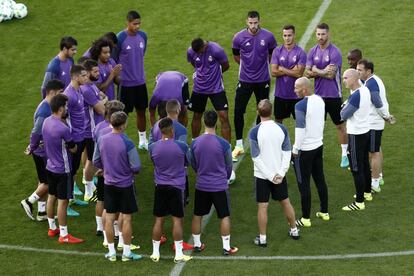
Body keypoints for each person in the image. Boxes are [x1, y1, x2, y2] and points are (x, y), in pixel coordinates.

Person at [249, 99, 299, 247]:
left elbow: (256, 158)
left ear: (258, 112)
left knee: (262, 206)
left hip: (262, 176)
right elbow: (287, 152)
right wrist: (281, 173)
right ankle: (294, 230)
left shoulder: (254, 131)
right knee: (285, 202)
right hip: (279, 175)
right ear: (271, 112)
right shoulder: (281, 129)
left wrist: (270, 176)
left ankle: (263, 238)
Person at [93, 111, 142, 262]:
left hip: (109, 184)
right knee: (126, 218)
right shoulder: (127, 142)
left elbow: (96, 160)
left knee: (109, 217)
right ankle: (127, 253)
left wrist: (106, 168)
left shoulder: (102, 139)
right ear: (124, 125)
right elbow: (136, 166)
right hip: (125, 185)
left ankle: (111, 252)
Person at [189, 110, 238, 255]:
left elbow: (193, 163)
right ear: (216, 122)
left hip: (202, 184)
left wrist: (201, 172)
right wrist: (226, 177)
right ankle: (226, 247)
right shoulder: (224, 144)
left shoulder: (195, 143)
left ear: (204, 121)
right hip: (219, 186)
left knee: (198, 215)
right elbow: (229, 166)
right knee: (224, 215)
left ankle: (197, 245)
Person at [231, 11, 277, 160]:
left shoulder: (268, 36)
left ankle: (258, 141)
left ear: (259, 21)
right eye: (250, 23)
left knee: (262, 111)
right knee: (239, 110)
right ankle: (238, 144)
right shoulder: (238, 37)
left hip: (262, 80)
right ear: (246, 22)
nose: (253, 26)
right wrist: (248, 67)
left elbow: (272, 55)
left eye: (255, 22)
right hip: (244, 79)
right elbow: (236, 56)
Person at [148, 118, 193, 263]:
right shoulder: (182, 146)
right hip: (177, 186)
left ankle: (155, 253)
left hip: (160, 186)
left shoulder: (153, 147)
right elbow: (188, 162)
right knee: (177, 220)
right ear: (172, 130)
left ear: (160, 130)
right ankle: (179, 254)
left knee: (159, 220)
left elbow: (154, 162)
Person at [305, 23, 349, 168]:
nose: (320, 37)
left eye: (323, 34)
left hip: (334, 96)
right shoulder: (312, 51)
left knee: (340, 126)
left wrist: (316, 69)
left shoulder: (335, 52)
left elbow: (331, 75)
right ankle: (318, 154)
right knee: (317, 126)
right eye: (318, 34)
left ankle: (344, 155)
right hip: (318, 97)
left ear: (328, 34)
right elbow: (307, 73)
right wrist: (321, 71)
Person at [21, 80, 65, 221]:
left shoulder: (47, 106)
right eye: (60, 92)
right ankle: (28, 201)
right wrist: (32, 146)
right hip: (42, 152)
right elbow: (36, 131)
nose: (61, 95)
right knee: (48, 183)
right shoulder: (44, 110)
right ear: (52, 92)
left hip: (42, 150)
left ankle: (41, 213)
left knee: (43, 181)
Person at [42, 94, 84, 243]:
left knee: (51, 197)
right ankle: (64, 235)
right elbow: (73, 149)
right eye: (65, 107)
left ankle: (52, 228)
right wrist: (74, 147)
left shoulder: (46, 122)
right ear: (60, 109)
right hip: (63, 170)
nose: (67, 109)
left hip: (50, 166)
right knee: (63, 201)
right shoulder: (63, 127)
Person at [292, 77, 329, 227]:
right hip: (318, 145)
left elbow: (300, 129)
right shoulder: (320, 100)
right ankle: (324, 212)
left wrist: (295, 149)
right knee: (320, 179)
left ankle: (305, 218)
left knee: (303, 183)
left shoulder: (301, 105)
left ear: (304, 89)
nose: (294, 91)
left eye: (297, 88)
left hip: (305, 150)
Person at [357, 59, 395, 192]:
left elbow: (378, 103)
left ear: (368, 71)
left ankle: (375, 183)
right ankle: (379, 175)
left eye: (360, 70)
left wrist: (386, 116)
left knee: (373, 153)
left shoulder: (371, 84)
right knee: (377, 149)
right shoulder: (373, 80)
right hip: (375, 122)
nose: (358, 72)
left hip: (373, 123)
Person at [114, 10, 149, 150]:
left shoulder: (143, 36)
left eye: (139, 23)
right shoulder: (120, 38)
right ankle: (119, 138)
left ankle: (142, 140)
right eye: (135, 24)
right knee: (122, 114)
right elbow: (114, 59)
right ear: (128, 23)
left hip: (140, 82)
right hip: (125, 84)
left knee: (142, 111)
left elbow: (141, 54)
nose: (137, 26)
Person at [187, 38, 231, 142]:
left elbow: (226, 65)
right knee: (197, 115)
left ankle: (227, 147)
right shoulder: (191, 51)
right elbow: (195, 64)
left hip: (216, 88)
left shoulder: (217, 50)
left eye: (200, 52)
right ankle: (194, 143)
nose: (198, 54)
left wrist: (214, 76)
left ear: (204, 46)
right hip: (199, 88)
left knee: (223, 116)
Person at [340, 69, 372, 211]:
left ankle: (359, 202)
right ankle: (367, 192)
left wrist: (343, 107)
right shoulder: (364, 90)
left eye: (346, 78)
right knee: (364, 163)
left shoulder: (355, 96)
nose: (344, 80)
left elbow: (343, 114)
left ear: (353, 79)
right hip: (365, 131)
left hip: (355, 134)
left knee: (356, 167)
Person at [80, 59, 108, 201]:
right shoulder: (86, 89)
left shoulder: (92, 86)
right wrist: (102, 101)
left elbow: (101, 97)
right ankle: (89, 191)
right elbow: (101, 110)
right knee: (91, 160)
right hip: (90, 131)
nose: (99, 73)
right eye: (95, 71)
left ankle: (90, 184)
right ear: (88, 72)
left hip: (94, 129)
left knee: (91, 159)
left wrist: (101, 100)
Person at [63, 64, 90, 215]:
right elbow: (64, 118)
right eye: (83, 76)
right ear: (75, 77)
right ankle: (65, 206)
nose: (86, 78)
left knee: (74, 170)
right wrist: (70, 140)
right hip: (74, 138)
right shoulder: (69, 95)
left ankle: (71, 198)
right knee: (70, 171)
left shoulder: (78, 90)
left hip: (81, 135)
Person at [271, 24, 306, 124]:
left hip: (297, 95)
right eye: (285, 35)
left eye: (289, 35)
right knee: (278, 122)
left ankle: (300, 140)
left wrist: (281, 68)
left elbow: (299, 74)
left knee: (301, 123)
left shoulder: (300, 52)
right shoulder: (277, 51)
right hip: (280, 94)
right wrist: (292, 70)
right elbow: (273, 72)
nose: (287, 38)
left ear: (294, 35)